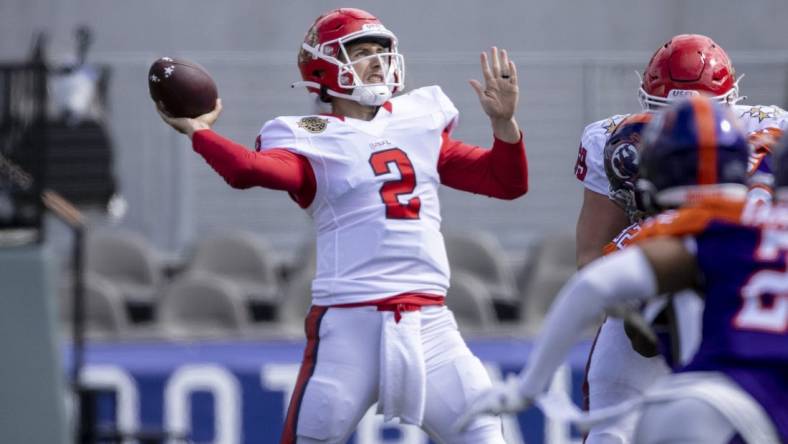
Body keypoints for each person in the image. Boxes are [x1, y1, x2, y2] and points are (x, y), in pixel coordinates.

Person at [155, 7, 527, 444]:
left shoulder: (419, 120)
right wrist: (200, 132)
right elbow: (249, 171)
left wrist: (504, 125)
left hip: (432, 327)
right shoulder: (308, 134)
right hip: (351, 327)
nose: (377, 61)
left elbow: (506, 182)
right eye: (361, 51)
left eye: (381, 51)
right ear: (323, 66)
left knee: (486, 435)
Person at [458, 96, 787, 444]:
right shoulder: (754, 213)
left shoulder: (691, 231)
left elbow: (595, 286)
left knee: (615, 430)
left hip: (717, 395)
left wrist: (528, 387)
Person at [572, 34, 788, 443]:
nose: (687, 126)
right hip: (658, 285)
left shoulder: (771, 130)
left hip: (737, 297)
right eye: (665, 112)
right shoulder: (614, 142)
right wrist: (637, 298)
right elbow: (590, 261)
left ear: (733, 103)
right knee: (610, 433)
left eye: (705, 110)